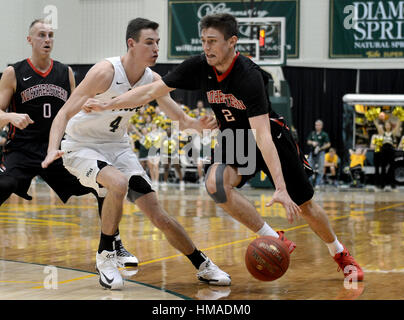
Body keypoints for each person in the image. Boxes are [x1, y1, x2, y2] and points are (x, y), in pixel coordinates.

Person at [82, 13, 364, 282]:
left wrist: (279, 186)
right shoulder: (199, 66)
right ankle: (273, 237)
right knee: (216, 185)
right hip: (234, 137)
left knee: (306, 207)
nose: (207, 46)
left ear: (232, 42)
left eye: (213, 41)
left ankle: (341, 254)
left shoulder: (249, 75)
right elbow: (151, 91)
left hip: (268, 136)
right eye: (203, 40)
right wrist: (110, 103)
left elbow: (262, 134)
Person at [42, 18, 230, 290]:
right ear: (131, 43)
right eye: (149, 42)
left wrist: (195, 124)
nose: (156, 49)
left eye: (158, 43)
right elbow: (63, 113)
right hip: (81, 145)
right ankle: (105, 256)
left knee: (159, 215)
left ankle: (203, 265)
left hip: (118, 147)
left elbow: (180, 118)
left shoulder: (151, 79)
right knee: (117, 183)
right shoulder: (105, 72)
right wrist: (51, 149)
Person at [0, 19, 137, 268]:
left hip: (57, 149)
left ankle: (112, 244)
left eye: (51, 35)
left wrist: (89, 107)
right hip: (21, 149)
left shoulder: (66, 72)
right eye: (41, 35)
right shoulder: (13, 72)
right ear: (29, 40)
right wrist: (10, 116)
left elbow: (75, 107)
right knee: (4, 183)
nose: (47, 39)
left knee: (102, 185)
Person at [373, 118, 402, 190]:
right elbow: (377, 126)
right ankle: (382, 184)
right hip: (384, 150)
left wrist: (400, 118)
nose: (387, 126)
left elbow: (398, 125)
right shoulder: (383, 133)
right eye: (386, 125)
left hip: (391, 150)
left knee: (392, 167)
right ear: (385, 126)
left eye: (388, 125)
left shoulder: (393, 133)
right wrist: (373, 118)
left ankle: (393, 184)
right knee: (383, 168)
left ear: (390, 126)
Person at [306, 119, 331, 187]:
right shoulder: (312, 133)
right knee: (310, 167)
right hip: (312, 152)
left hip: (320, 152)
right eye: (316, 125)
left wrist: (321, 148)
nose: (317, 126)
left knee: (320, 168)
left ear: (321, 126)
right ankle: (310, 183)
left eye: (319, 125)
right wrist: (312, 142)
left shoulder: (324, 134)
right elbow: (308, 141)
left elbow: (328, 144)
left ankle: (318, 183)